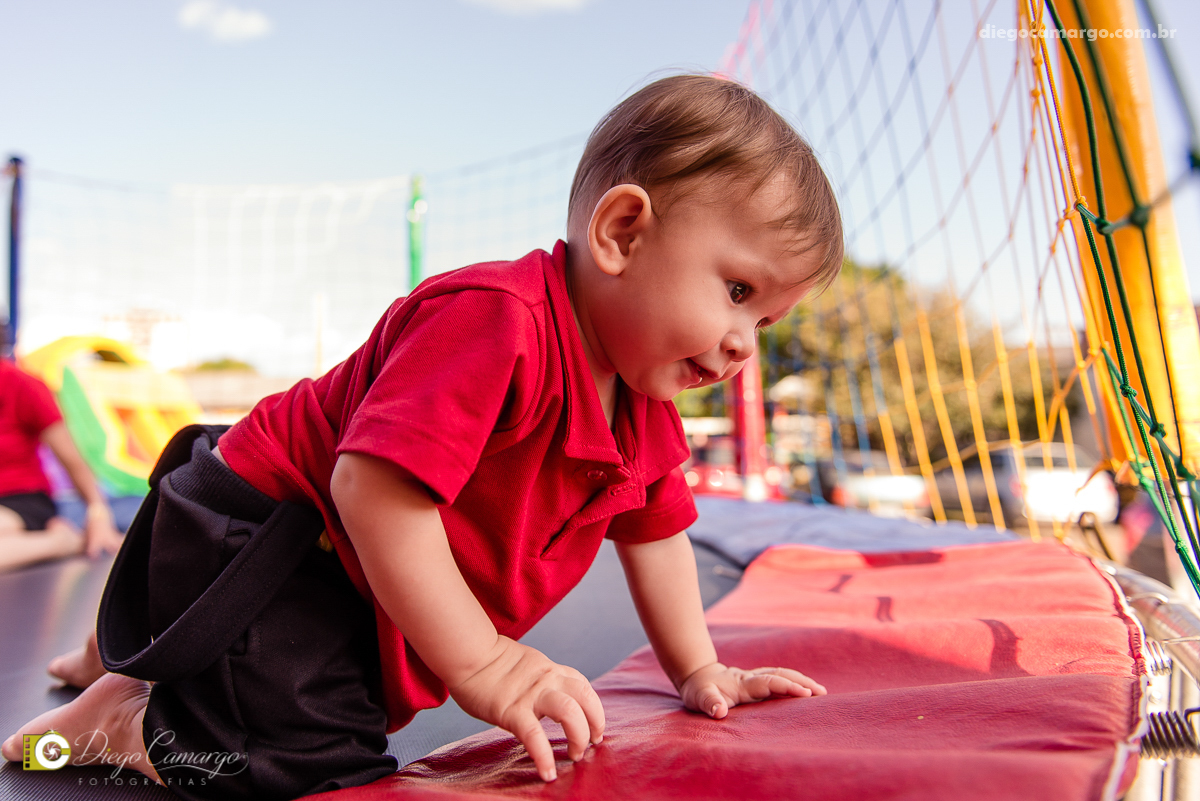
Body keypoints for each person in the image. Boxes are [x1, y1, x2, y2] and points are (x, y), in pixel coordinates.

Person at [3, 74, 843, 798]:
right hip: (263, 532)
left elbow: (658, 536)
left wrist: (701, 670)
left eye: (766, 319)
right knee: (301, 760)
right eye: (737, 290)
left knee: (333, 691)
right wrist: (482, 661)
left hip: (340, 572)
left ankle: (123, 655)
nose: (744, 344)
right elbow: (370, 487)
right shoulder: (498, 321)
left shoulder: (645, 414)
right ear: (622, 232)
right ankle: (134, 720)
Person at [0, 349, 124, 573]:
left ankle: (62, 542)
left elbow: (73, 460)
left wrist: (98, 512)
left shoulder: (20, 384)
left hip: (19, 501)